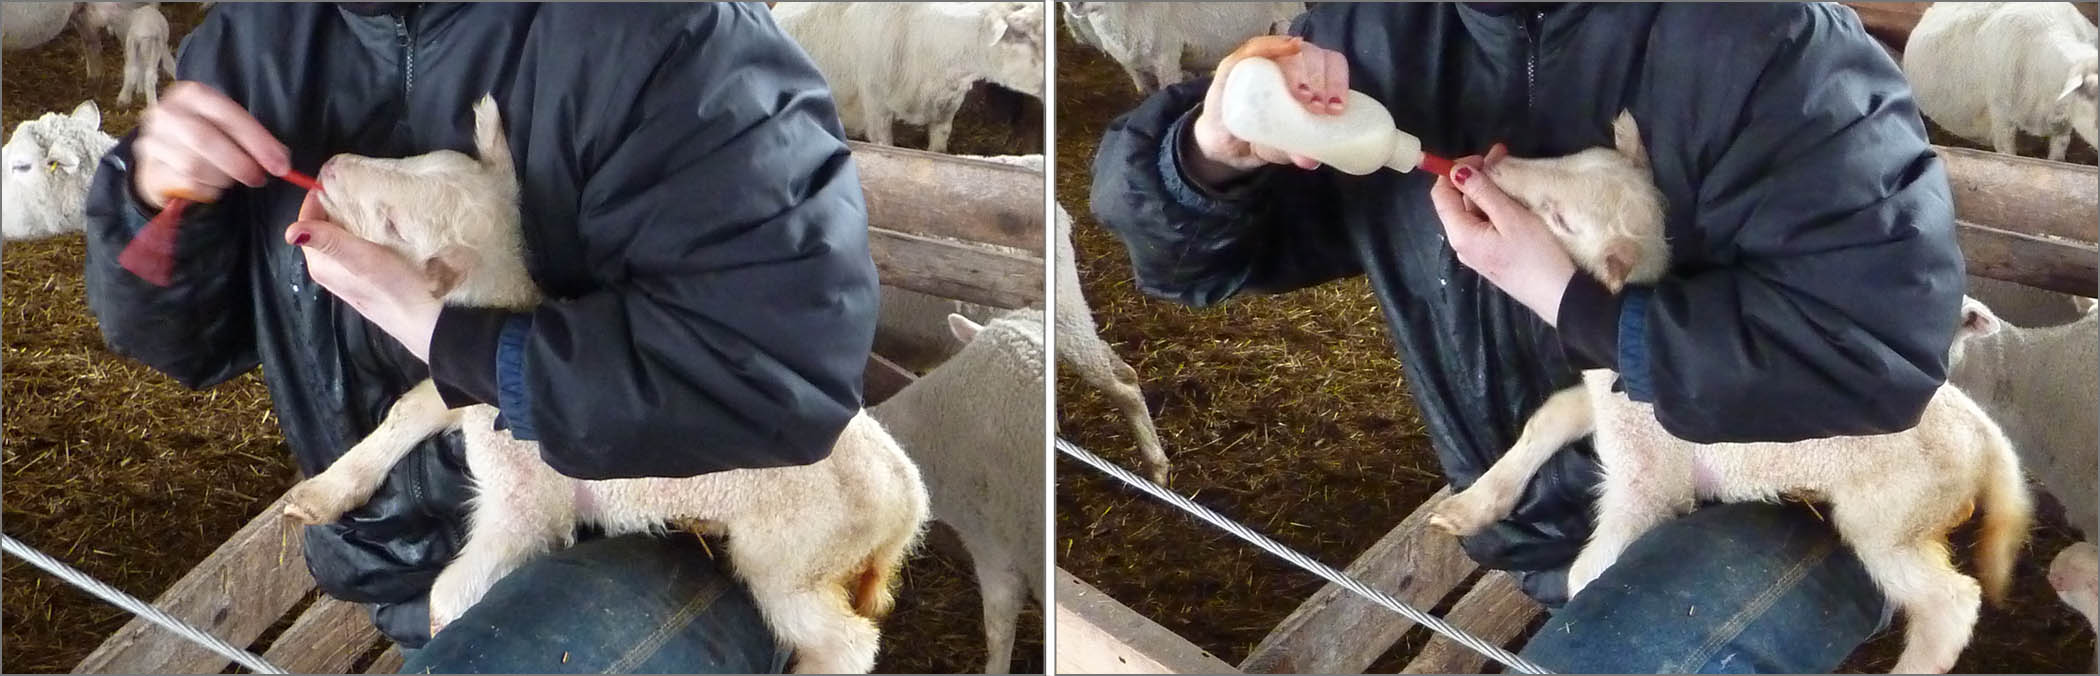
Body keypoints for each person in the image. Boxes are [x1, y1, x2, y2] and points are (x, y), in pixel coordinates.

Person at [1090, 2, 1960, 672]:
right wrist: (1212, 153)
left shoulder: (1768, 43)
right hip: (1549, 519)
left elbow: (1873, 352)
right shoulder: (1382, 30)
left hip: (1795, 496)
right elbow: (1186, 259)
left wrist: (1575, 305)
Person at [82, 3, 877, 672]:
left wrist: (460, 345)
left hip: (667, 543)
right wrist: (157, 197)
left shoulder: (668, 36)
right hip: (399, 567)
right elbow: (185, 343)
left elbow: (775, 371)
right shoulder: (257, 40)